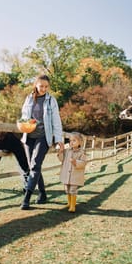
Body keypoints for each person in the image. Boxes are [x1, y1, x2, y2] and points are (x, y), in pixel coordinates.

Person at [20, 74, 64, 210]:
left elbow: (56, 121)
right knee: (34, 166)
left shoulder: (51, 101)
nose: (44, 89)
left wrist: (58, 140)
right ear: (36, 85)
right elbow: (24, 116)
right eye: (41, 86)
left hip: (44, 137)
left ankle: (26, 198)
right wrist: (23, 123)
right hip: (29, 136)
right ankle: (43, 194)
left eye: (46, 86)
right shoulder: (28, 98)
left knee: (35, 165)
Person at [57, 132, 87, 212]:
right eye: (70, 140)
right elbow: (61, 159)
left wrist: (75, 162)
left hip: (75, 175)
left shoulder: (82, 153)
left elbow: (83, 163)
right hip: (67, 174)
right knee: (67, 189)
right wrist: (61, 151)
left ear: (80, 142)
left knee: (73, 190)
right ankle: (69, 203)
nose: (71, 142)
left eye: (74, 140)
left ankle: (73, 206)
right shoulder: (67, 151)